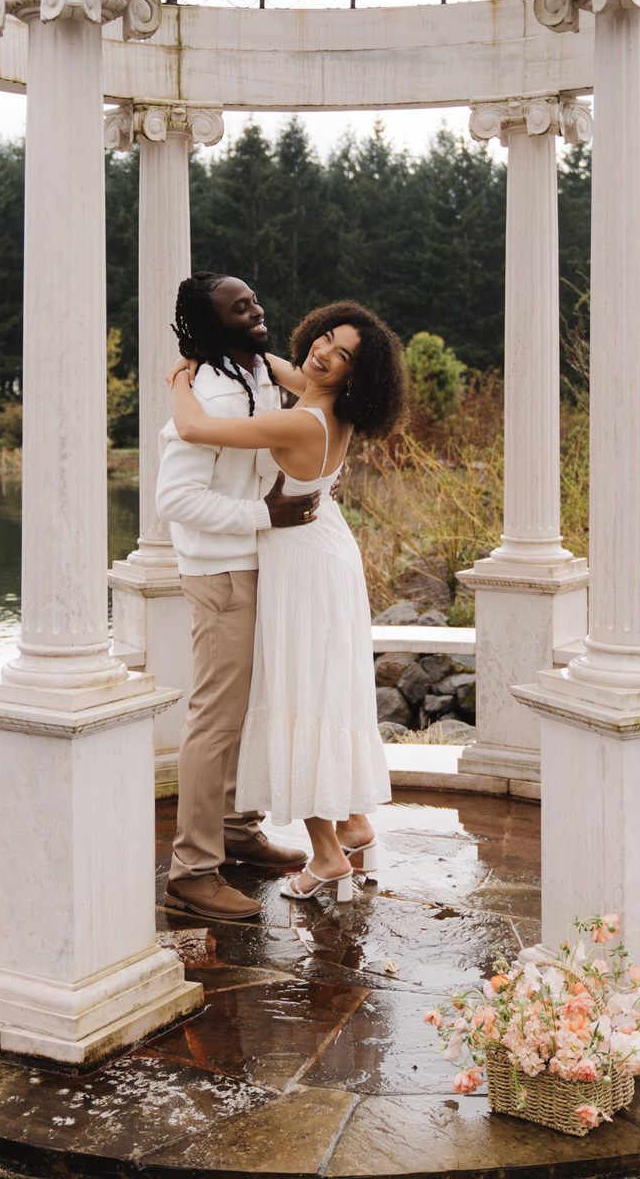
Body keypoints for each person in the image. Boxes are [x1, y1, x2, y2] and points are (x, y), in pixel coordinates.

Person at [170, 300, 405, 901]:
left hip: (301, 559)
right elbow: (284, 368)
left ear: (356, 376)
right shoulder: (330, 402)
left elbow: (195, 429)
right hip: (323, 546)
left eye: (341, 354)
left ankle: (328, 854)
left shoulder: (304, 421)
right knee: (325, 691)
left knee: (299, 695)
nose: (323, 352)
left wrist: (179, 377)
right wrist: (243, 350)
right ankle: (353, 824)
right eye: (325, 337)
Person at [156, 272, 316, 922]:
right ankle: (193, 869)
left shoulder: (254, 376)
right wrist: (263, 515)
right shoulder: (212, 392)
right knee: (214, 718)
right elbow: (175, 499)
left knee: (244, 710)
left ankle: (235, 829)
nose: (256, 309)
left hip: (253, 566)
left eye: (255, 299)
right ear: (211, 323)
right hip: (221, 571)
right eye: (238, 307)